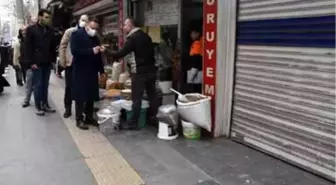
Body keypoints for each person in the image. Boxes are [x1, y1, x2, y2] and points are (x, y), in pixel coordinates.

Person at [103, 17, 158, 130]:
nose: (124, 27)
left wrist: (106, 51)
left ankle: (133, 123)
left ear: (131, 25)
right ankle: (154, 118)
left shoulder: (132, 38)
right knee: (152, 95)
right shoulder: (146, 36)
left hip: (139, 72)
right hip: (151, 71)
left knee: (136, 97)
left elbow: (120, 54)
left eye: (125, 25)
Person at [70, 17, 105, 130]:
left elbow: (99, 55)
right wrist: (91, 51)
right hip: (80, 70)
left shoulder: (95, 37)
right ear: (87, 25)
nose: (94, 30)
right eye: (92, 27)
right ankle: (79, 119)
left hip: (92, 70)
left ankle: (89, 117)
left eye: (96, 29)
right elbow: (74, 51)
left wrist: (102, 70)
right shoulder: (76, 34)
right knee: (80, 95)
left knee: (91, 94)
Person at [25, 9, 57, 116]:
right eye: (46, 17)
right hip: (36, 62)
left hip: (47, 62)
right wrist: (31, 62)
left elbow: (53, 47)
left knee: (45, 85)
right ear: (40, 17)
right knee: (38, 85)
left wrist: (53, 61)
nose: (48, 20)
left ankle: (45, 104)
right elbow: (27, 48)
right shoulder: (31, 30)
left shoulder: (50, 30)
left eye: (49, 18)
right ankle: (38, 106)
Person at [59, 15, 89, 118]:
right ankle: (68, 108)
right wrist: (63, 62)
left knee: (81, 88)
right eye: (83, 20)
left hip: (82, 65)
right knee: (69, 87)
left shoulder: (88, 33)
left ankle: (81, 111)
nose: (84, 22)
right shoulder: (70, 31)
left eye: (86, 21)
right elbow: (63, 46)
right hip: (70, 64)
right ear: (78, 21)